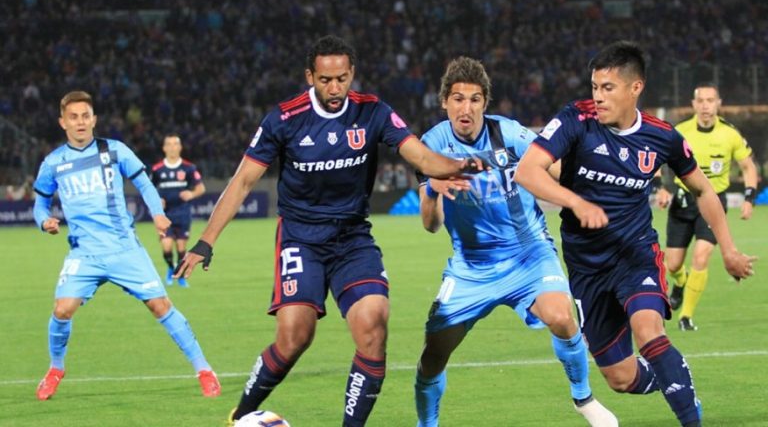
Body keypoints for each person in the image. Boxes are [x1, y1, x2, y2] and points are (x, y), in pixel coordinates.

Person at [174, 35, 483, 426]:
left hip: (352, 238)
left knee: (374, 325)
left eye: (342, 79)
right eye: (325, 80)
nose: (335, 88)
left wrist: (466, 165)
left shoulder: (374, 112)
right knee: (294, 338)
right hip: (300, 238)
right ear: (310, 76)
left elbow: (420, 156)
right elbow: (242, 182)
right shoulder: (284, 119)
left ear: (352, 73)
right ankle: (243, 413)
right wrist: (205, 242)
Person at [514, 41, 755, 427]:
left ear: (635, 88)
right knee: (621, 379)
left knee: (649, 331)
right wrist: (576, 203)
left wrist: (728, 248)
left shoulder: (663, 138)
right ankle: (673, 376)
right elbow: (527, 171)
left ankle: (690, 418)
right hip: (586, 268)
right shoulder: (576, 119)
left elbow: (704, 190)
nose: (598, 97)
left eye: (607, 88)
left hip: (634, 254)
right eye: (594, 87)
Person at [413, 57, 617, 427]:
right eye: (458, 99)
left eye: (475, 99)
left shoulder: (510, 134)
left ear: (484, 104)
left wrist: (583, 188)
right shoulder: (431, 145)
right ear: (444, 102)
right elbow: (430, 225)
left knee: (560, 317)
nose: (466, 108)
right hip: (472, 265)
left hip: (528, 252)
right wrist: (432, 189)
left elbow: (555, 169)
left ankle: (583, 398)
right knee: (433, 356)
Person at [32, 91, 221, 400]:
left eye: (85, 116)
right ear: (62, 122)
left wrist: (158, 215)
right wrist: (44, 221)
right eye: (73, 117)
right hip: (84, 253)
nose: (80, 122)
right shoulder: (53, 163)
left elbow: (144, 182)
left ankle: (204, 370)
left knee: (160, 305)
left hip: (124, 249)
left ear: (94, 119)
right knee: (62, 309)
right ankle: (55, 369)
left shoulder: (115, 150)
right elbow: (40, 204)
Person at [655, 84, 758, 331]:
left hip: (712, 203)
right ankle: (681, 282)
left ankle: (686, 317)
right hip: (682, 201)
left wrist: (749, 197)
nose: (705, 106)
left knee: (701, 256)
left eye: (710, 101)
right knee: (673, 265)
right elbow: (658, 160)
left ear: (718, 103)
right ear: (693, 105)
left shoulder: (729, 134)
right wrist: (662, 187)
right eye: (700, 101)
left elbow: (748, 167)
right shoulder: (680, 131)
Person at [151, 133, 206, 287]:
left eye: (175, 144)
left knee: (181, 248)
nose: (172, 147)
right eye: (169, 144)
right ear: (164, 148)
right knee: (167, 247)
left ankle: (180, 275)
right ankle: (170, 268)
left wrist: (192, 193)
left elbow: (201, 188)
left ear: (180, 147)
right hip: (165, 215)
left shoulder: (189, 168)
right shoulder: (157, 169)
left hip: (183, 214)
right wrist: (157, 201)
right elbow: (149, 189)